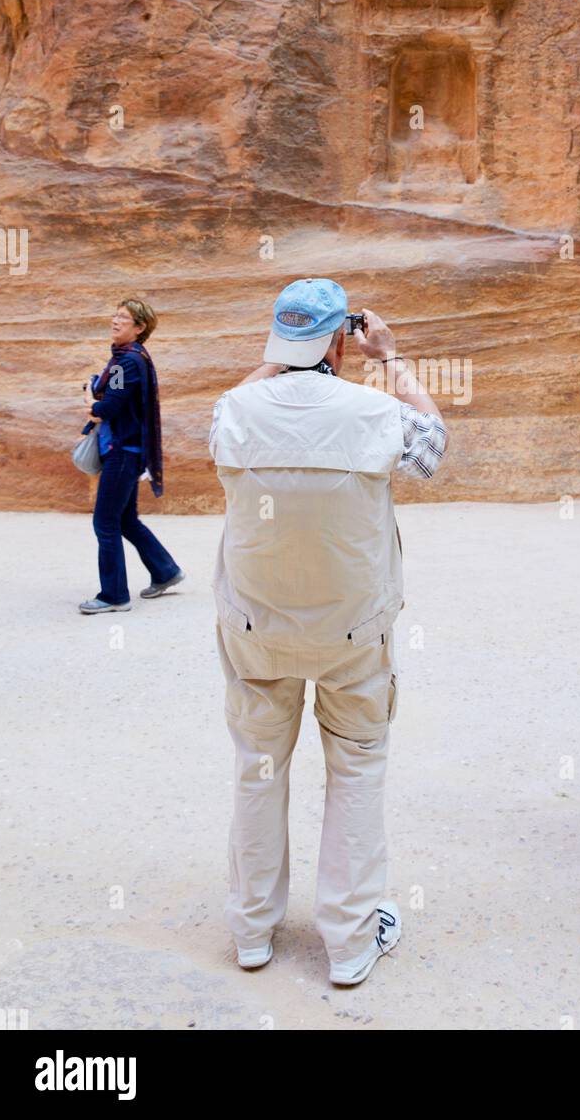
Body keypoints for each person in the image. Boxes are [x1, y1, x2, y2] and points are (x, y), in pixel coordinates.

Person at [209, 278, 447, 982]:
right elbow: (434, 446)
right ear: (343, 338)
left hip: (256, 628)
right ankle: (348, 944)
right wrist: (391, 358)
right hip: (352, 633)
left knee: (257, 772)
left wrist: (275, 357)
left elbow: (228, 409)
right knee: (356, 771)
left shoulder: (235, 411)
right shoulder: (374, 410)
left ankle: (252, 933)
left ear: (281, 343)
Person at [78, 298, 185, 614]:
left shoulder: (127, 363)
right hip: (127, 450)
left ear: (140, 328)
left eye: (124, 318)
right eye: (115, 315)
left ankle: (114, 596)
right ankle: (165, 571)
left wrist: (90, 401)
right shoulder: (128, 358)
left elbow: (108, 407)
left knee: (105, 522)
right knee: (125, 519)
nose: (115, 321)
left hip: (123, 452)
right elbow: (112, 398)